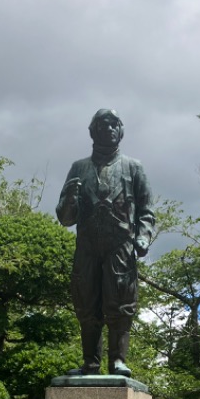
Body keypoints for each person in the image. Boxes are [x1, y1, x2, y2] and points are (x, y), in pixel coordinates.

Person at [56, 109, 155, 377]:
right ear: (93, 130)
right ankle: (90, 363)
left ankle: (117, 362)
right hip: (87, 245)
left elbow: (147, 209)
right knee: (86, 303)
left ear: (120, 131)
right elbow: (66, 219)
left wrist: (143, 236)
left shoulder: (133, 167)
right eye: (103, 125)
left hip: (120, 244)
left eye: (114, 125)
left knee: (120, 302)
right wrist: (69, 200)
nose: (108, 129)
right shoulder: (79, 168)